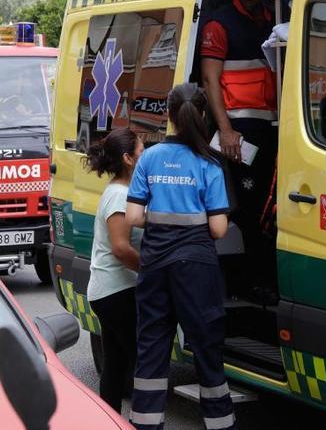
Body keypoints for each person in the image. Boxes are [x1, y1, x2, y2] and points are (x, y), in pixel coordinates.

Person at [126, 83, 234, 430]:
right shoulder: (209, 163)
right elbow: (218, 230)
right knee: (206, 349)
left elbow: (133, 217)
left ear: (169, 116)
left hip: (154, 264)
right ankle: (219, 424)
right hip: (196, 267)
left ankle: (145, 423)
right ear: (201, 115)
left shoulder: (150, 158)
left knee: (152, 347)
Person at [200, 0, 278, 298]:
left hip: (271, 126)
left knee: (268, 204)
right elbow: (209, 79)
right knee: (250, 208)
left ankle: (265, 278)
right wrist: (226, 129)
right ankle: (253, 283)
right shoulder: (219, 25)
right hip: (239, 132)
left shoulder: (272, 18)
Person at [83, 128, 144, 413]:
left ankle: (109, 419)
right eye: (141, 152)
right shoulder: (120, 196)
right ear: (128, 159)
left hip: (106, 290)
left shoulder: (119, 191)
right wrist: (151, 270)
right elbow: (121, 248)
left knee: (116, 365)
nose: (145, 158)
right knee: (143, 363)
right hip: (117, 291)